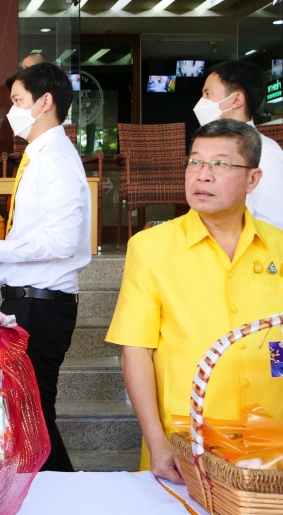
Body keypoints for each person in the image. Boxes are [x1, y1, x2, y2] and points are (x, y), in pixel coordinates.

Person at [105, 119, 283, 484]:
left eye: (220, 164)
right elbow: (135, 350)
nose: (202, 175)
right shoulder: (152, 248)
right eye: (195, 161)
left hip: (271, 442)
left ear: (253, 179)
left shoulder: (279, 247)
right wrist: (157, 442)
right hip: (186, 443)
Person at [0, 63, 91, 472]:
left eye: (17, 101)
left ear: (45, 102)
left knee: (34, 419)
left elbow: (63, 240)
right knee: (26, 417)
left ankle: (64, 496)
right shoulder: (40, 156)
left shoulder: (56, 160)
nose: (10, 111)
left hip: (42, 306)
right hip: (26, 303)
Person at [193, 61, 283, 230]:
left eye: (208, 94)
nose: (201, 102)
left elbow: (273, 225)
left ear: (236, 100)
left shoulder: (264, 153)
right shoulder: (209, 150)